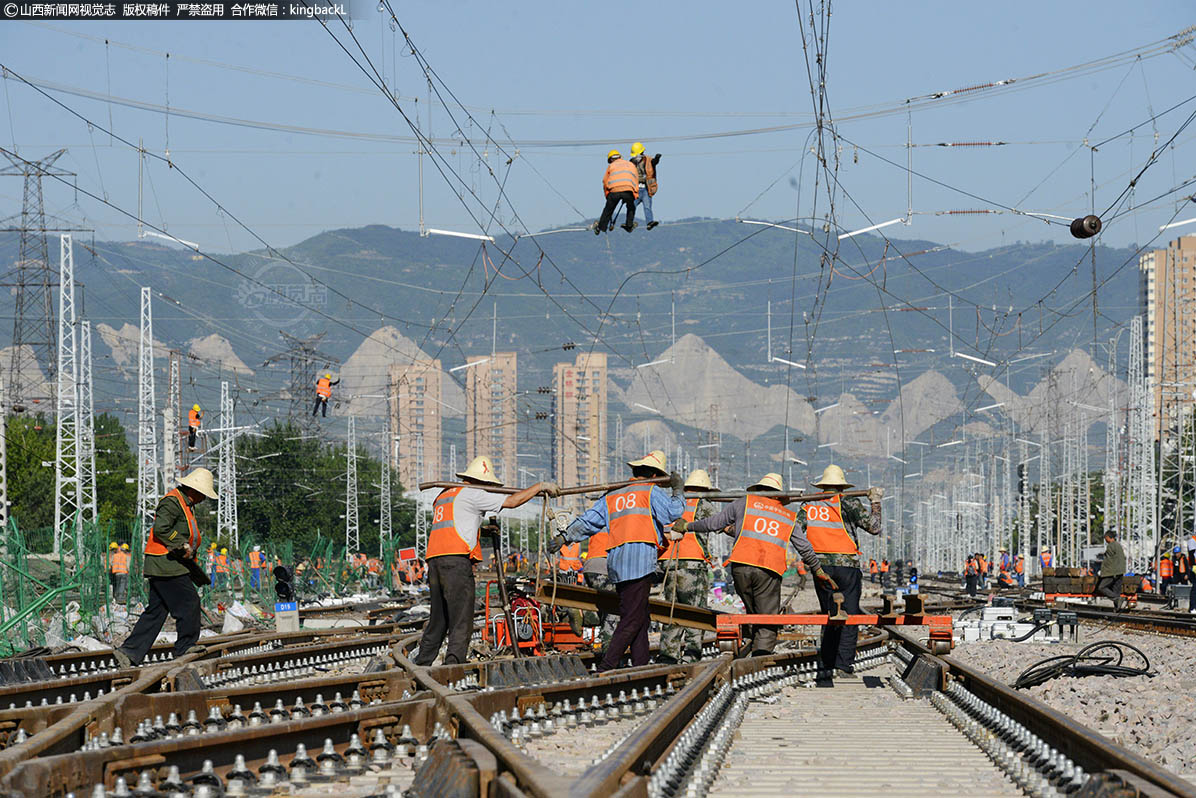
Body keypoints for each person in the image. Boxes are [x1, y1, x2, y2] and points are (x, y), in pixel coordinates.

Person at [412, 456, 557, 667]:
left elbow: (458, 525)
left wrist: (483, 531)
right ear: (482, 481)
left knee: (439, 618)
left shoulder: (445, 494)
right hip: (456, 561)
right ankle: (454, 665)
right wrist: (539, 487)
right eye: (488, 484)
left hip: (435, 561)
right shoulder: (472, 493)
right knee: (462, 617)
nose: (488, 489)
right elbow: (512, 501)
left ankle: (422, 662)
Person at [550, 450, 685, 670]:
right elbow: (673, 512)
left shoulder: (614, 495)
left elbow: (589, 521)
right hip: (640, 561)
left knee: (640, 617)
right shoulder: (650, 491)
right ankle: (607, 665)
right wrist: (678, 490)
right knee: (632, 619)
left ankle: (641, 666)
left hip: (617, 563)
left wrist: (565, 536)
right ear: (654, 476)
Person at [678, 472, 836, 658]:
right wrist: (817, 570)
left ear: (759, 489)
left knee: (752, 611)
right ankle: (760, 658)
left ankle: (753, 642)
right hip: (768, 570)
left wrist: (687, 526)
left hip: (740, 568)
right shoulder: (787, 515)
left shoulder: (743, 503)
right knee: (767, 617)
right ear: (779, 494)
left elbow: (715, 523)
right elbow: (804, 547)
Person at [113, 468, 218, 668]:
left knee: (156, 612)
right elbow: (161, 528)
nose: (204, 497)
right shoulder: (172, 502)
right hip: (165, 563)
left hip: (170, 563)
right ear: (194, 489)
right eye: (203, 493)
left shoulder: (186, 504)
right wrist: (180, 544)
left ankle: (128, 653)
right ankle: (186, 646)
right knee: (189, 602)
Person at [794, 465, 883, 679]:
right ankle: (843, 666)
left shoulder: (810, 504)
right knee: (849, 615)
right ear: (842, 486)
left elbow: (795, 529)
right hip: (847, 568)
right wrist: (876, 503)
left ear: (822, 486)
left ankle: (827, 662)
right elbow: (874, 527)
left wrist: (808, 558)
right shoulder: (849, 502)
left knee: (829, 614)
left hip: (821, 567)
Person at [658, 469, 716, 664]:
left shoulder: (672, 503)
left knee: (673, 608)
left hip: (669, 562)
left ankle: (668, 654)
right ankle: (692, 653)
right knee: (695, 611)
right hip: (693, 564)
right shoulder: (704, 505)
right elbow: (719, 524)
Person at [595, 150, 638, 235]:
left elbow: (605, 181)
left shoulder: (611, 166)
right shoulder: (631, 165)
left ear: (611, 159)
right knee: (631, 207)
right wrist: (635, 194)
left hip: (614, 191)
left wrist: (607, 195)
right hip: (628, 190)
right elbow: (635, 179)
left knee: (608, 210)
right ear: (620, 157)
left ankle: (601, 227)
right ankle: (629, 225)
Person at [628, 142, 661, 231]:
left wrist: (657, 159)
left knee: (647, 207)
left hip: (646, 189)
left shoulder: (648, 160)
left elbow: (654, 163)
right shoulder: (631, 163)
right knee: (631, 206)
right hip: (636, 189)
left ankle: (650, 222)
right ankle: (629, 223)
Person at [1096, 531, 1127, 611]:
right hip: (1120, 571)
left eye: (1105, 538)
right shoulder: (1118, 545)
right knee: (1116, 590)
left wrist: (1104, 572)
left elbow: (1108, 561)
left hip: (1112, 572)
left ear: (1108, 537)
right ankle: (1117, 608)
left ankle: (1117, 599)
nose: (1105, 539)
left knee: (1101, 587)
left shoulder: (1111, 546)